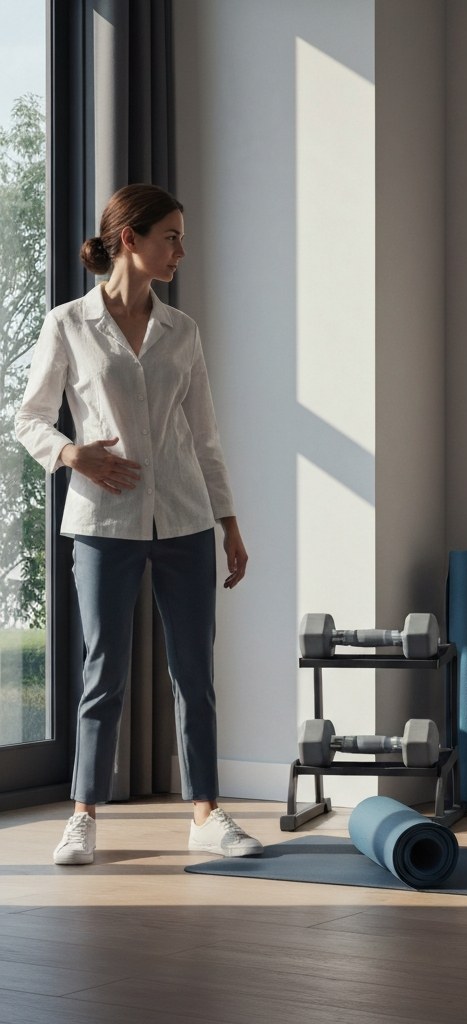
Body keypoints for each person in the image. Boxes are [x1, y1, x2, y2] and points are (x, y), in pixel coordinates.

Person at [16, 183, 263, 864]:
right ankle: (83, 815)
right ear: (130, 238)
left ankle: (207, 813)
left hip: (184, 517)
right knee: (104, 671)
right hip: (101, 521)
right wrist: (69, 454)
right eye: (171, 236)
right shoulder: (68, 323)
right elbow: (28, 416)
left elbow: (205, 437)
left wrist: (229, 521)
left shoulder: (183, 331)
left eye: (182, 237)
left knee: (194, 671)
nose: (181, 250)